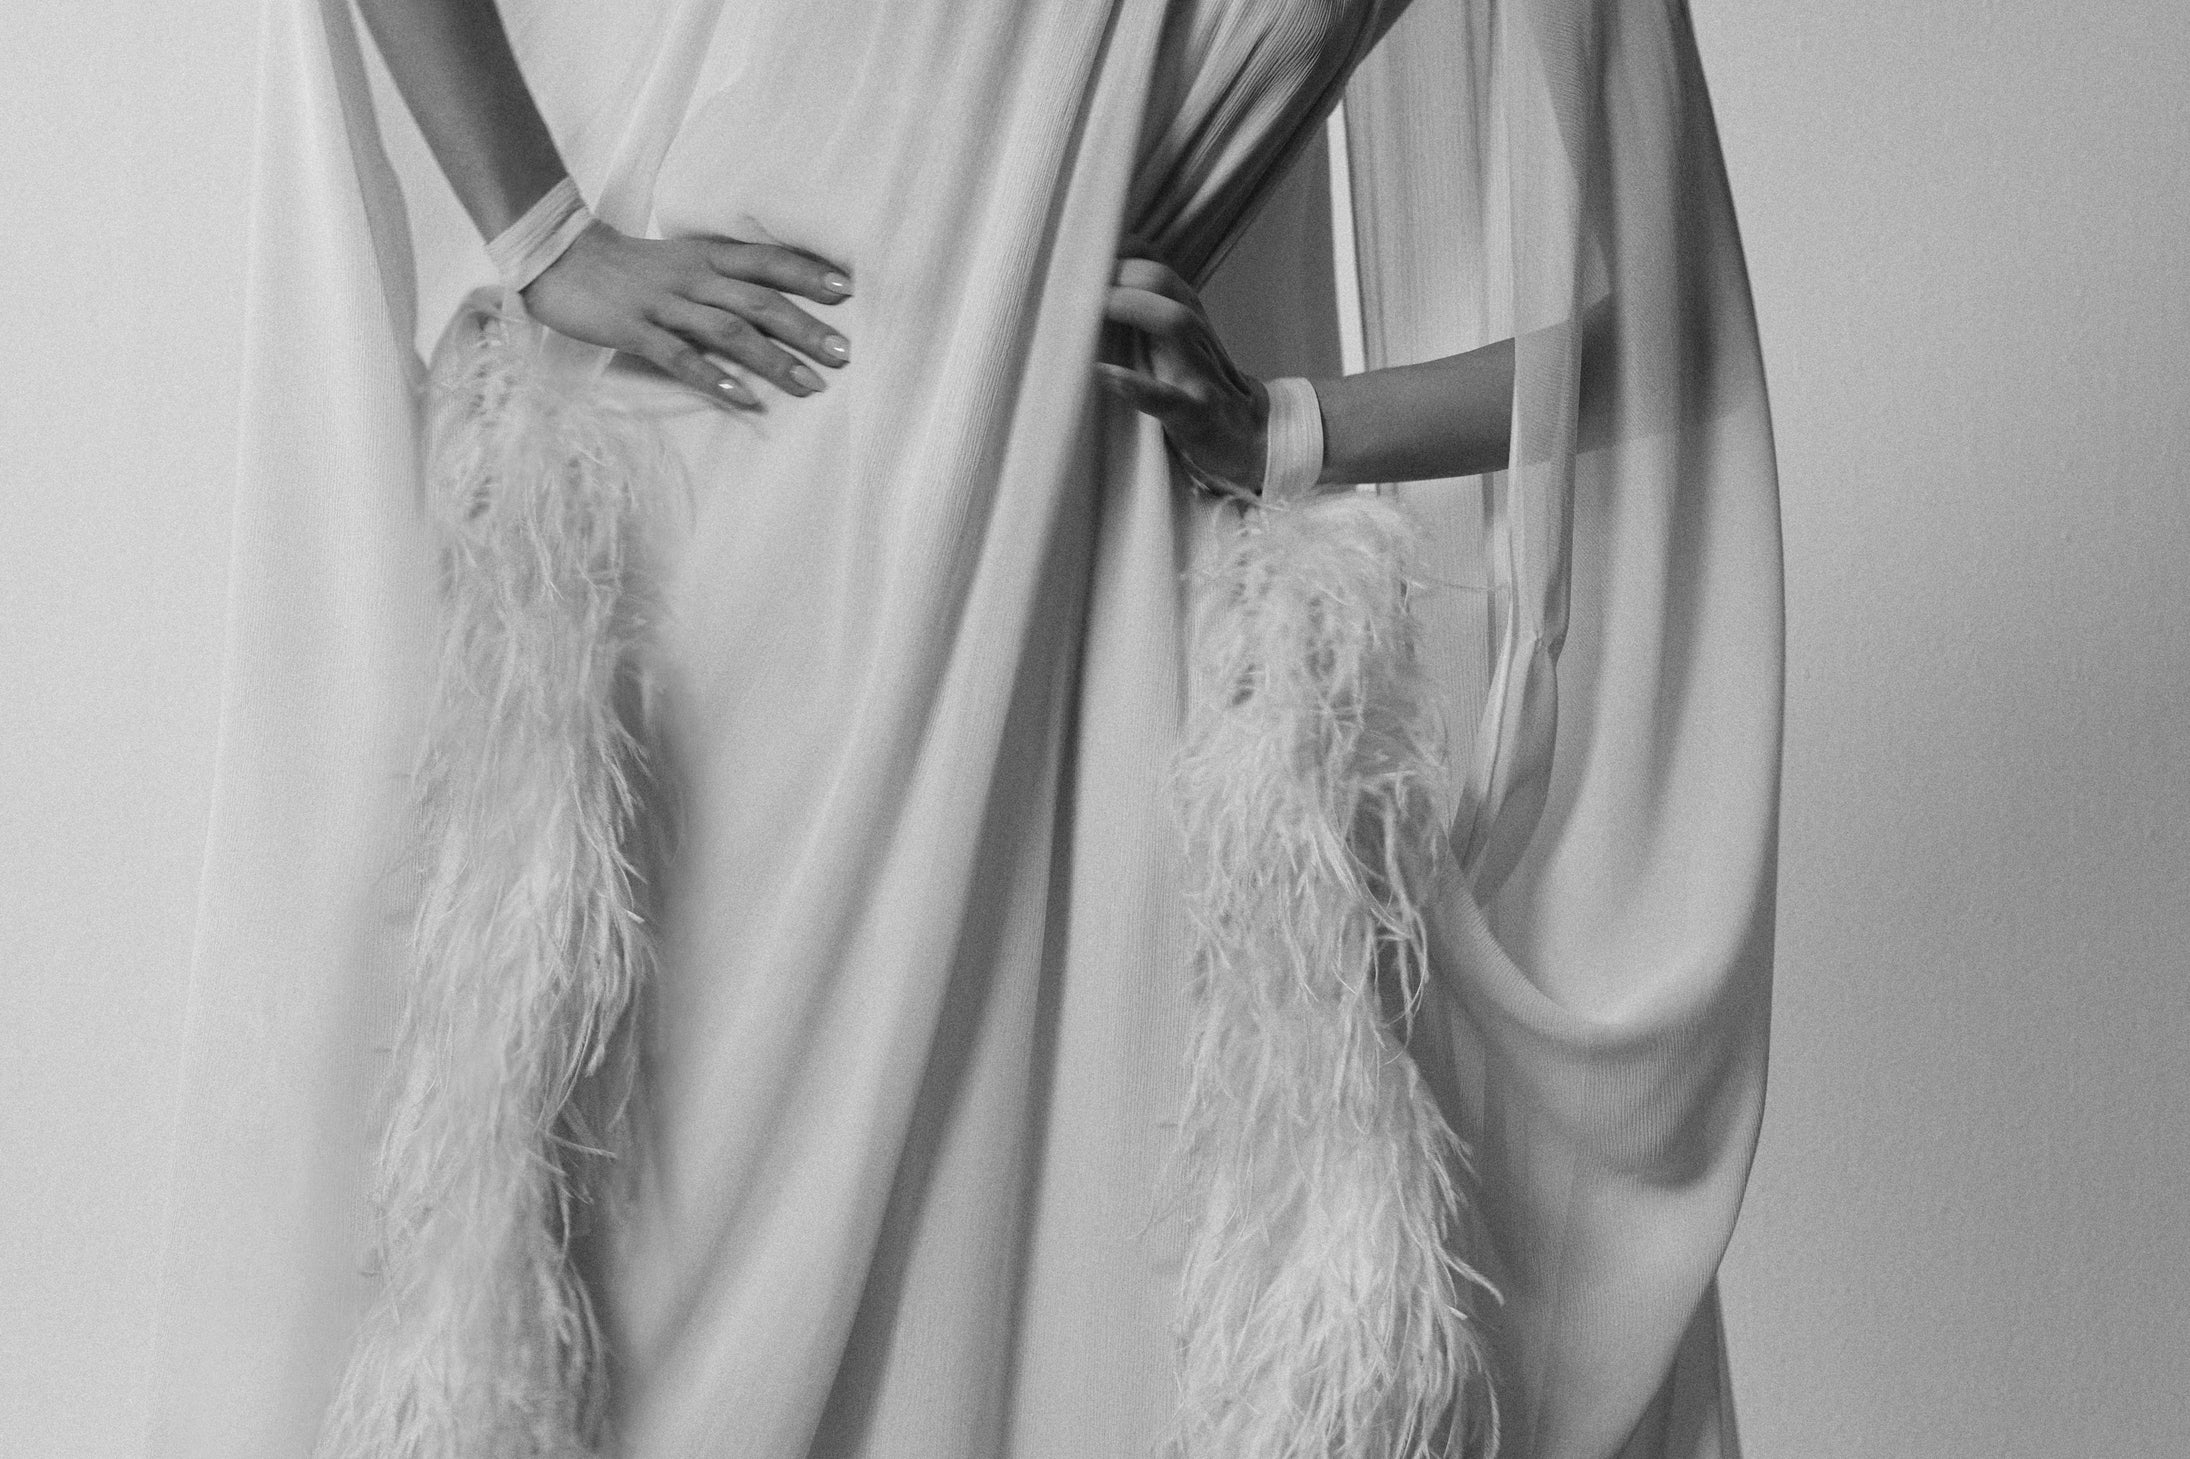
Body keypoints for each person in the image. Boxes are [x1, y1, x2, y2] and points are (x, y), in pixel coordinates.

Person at [142, 1, 1782, 1457]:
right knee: (631, 1310)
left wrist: (1287, 427)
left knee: (1065, 1309)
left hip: (1084, 611)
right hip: (720, 534)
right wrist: (547, 234)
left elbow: (1677, 325)